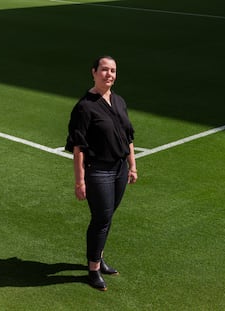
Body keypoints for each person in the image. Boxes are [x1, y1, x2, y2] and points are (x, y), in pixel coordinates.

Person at [65, 56, 138, 291]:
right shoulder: (85, 107)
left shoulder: (119, 101)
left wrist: (132, 165)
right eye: (104, 70)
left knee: (107, 218)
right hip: (98, 172)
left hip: (119, 170)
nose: (109, 74)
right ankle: (94, 269)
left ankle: (99, 257)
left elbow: (128, 137)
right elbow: (78, 147)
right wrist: (79, 182)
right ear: (94, 72)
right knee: (101, 219)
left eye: (113, 71)